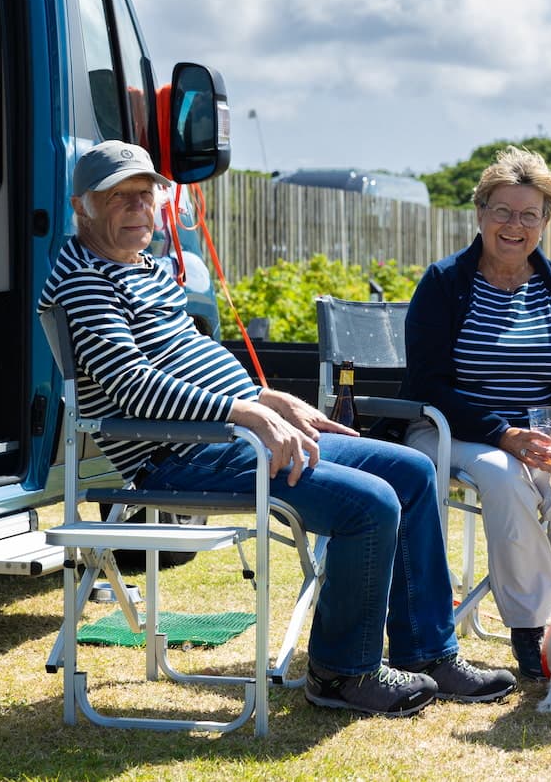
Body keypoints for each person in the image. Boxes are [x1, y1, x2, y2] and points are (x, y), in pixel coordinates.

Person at [37, 140, 515, 718]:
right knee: (368, 503)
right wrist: (246, 414)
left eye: (146, 194)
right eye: (120, 198)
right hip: (186, 453)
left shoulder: (146, 267)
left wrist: (271, 399)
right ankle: (342, 673)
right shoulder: (86, 281)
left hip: (235, 433)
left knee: (412, 469)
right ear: (81, 207)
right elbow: (132, 386)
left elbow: (186, 355)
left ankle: (427, 654)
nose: (139, 208)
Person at [396, 145, 551, 682]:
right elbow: (426, 384)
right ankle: (533, 632)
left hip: (541, 436)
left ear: (545, 222)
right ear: (480, 213)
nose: (515, 225)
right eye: (502, 211)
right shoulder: (444, 283)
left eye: (529, 214)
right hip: (451, 430)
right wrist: (502, 432)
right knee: (506, 477)